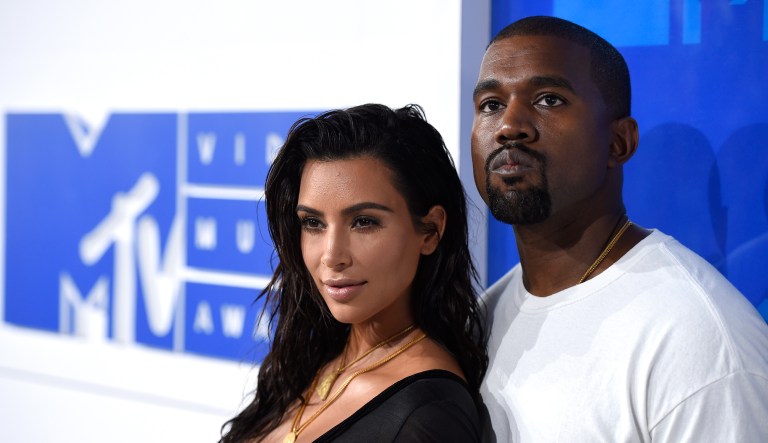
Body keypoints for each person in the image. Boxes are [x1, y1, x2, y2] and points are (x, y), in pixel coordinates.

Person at [471, 15, 768, 442]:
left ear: (619, 142)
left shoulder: (695, 338)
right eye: (491, 104)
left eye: (549, 99)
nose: (508, 126)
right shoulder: (483, 317)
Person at [220, 103, 488, 442]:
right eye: (313, 223)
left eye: (364, 222)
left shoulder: (431, 416)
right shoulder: (308, 362)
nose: (331, 256)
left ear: (430, 231)